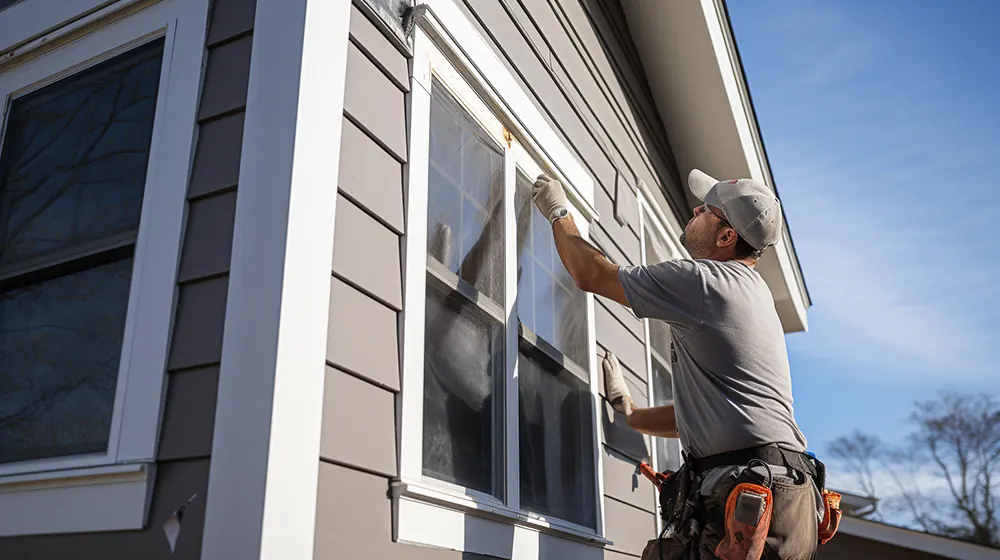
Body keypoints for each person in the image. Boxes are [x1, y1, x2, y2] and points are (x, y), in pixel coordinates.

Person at [531, 170, 825, 560]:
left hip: (748, 501)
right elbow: (710, 415)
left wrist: (558, 212)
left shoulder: (705, 283)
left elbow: (591, 274)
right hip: (787, 501)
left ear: (726, 237)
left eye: (706, 209)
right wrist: (630, 415)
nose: (694, 209)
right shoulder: (754, 295)